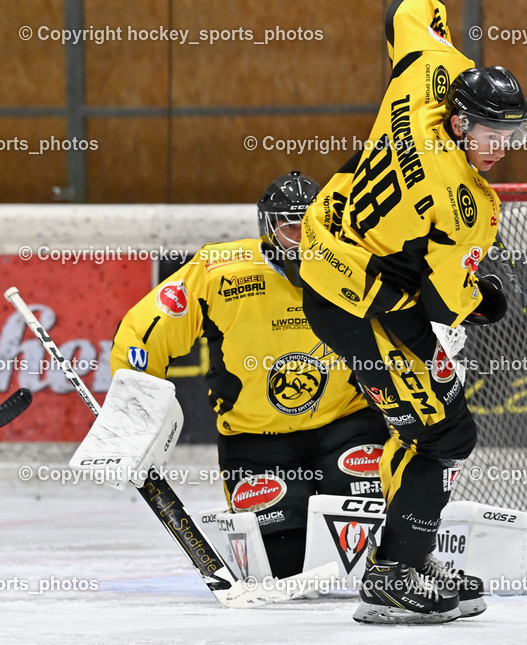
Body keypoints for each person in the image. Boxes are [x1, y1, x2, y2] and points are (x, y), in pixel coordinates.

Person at [298, 0, 527, 623]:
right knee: (445, 434)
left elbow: (407, 10)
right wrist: (488, 299)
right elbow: (448, 305)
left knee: (425, 428)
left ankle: (408, 557)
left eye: (513, 134)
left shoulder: (427, 71)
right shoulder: (466, 205)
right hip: (364, 307)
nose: (501, 147)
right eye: (491, 134)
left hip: (330, 260)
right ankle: (392, 576)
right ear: (459, 122)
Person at [110, 171, 389, 579]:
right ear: (268, 229)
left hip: (347, 427)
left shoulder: (354, 264)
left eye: (315, 228)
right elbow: (144, 332)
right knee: (282, 566)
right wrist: (135, 410)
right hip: (257, 442)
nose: (305, 241)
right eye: (293, 229)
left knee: (370, 558)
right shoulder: (218, 270)